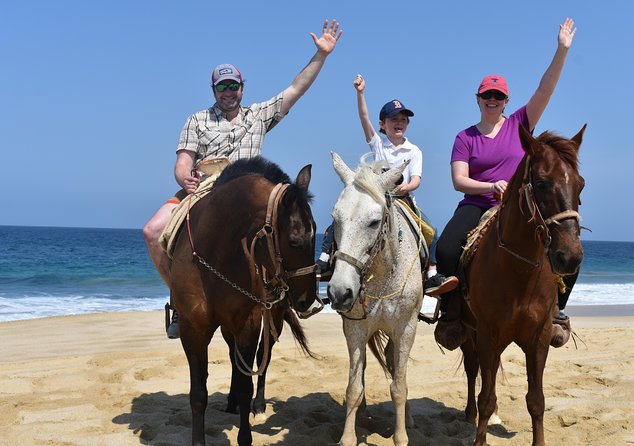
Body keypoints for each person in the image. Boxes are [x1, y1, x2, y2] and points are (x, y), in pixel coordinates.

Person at [143, 19, 342, 339]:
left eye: (233, 85)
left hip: (249, 193)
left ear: (242, 88)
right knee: (152, 231)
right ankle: (180, 299)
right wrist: (185, 179)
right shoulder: (197, 119)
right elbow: (182, 162)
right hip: (204, 187)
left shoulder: (258, 115)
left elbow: (294, 90)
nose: (228, 92)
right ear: (213, 91)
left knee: (291, 229)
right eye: (222, 87)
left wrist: (321, 56)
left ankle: (291, 294)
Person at [434, 18, 578, 350]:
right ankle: (453, 313)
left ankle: (557, 310)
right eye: (487, 95)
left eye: (498, 96)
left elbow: (546, 88)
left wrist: (561, 50)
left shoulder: (519, 123)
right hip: (476, 204)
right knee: (444, 249)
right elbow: (459, 181)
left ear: (506, 101)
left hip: (519, 208)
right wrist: (489, 187)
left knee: (567, 249)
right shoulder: (465, 137)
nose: (492, 100)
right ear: (478, 98)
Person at [318, 74, 457, 296]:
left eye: (403, 119)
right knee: (342, 221)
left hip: (403, 199)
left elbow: (416, 179)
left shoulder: (414, 150)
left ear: (408, 124)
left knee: (432, 230)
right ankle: (326, 259)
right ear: (383, 124)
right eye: (393, 119)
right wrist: (360, 93)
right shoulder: (378, 144)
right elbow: (364, 117)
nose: (399, 123)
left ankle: (431, 273)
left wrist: (407, 187)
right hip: (378, 198)